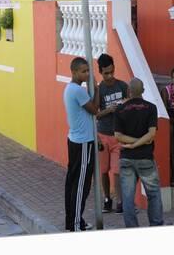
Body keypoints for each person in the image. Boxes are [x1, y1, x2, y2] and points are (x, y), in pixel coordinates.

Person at [115, 78, 164, 227]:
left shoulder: (120, 110)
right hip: (145, 158)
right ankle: (155, 226)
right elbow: (151, 134)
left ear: (129, 91)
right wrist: (140, 142)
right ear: (143, 91)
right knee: (153, 194)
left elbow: (118, 136)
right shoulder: (151, 108)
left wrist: (132, 144)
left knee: (128, 198)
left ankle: (132, 229)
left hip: (126, 158)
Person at [64, 57, 99, 232]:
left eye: (88, 70)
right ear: (74, 72)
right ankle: (76, 225)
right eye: (84, 71)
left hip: (75, 140)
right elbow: (95, 110)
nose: (87, 74)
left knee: (72, 182)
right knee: (81, 185)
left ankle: (73, 221)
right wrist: (97, 89)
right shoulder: (78, 91)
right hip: (84, 143)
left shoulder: (70, 89)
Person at [95, 54, 129, 213]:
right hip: (103, 135)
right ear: (100, 72)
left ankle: (120, 201)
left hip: (118, 135)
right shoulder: (99, 89)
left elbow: (130, 105)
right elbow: (95, 114)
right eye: (106, 73)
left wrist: (124, 106)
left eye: (111, 72)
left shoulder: (122, 86)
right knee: (103, 170)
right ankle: (107, 198)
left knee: (117, 170)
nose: (109, 76)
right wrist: (109, 110)